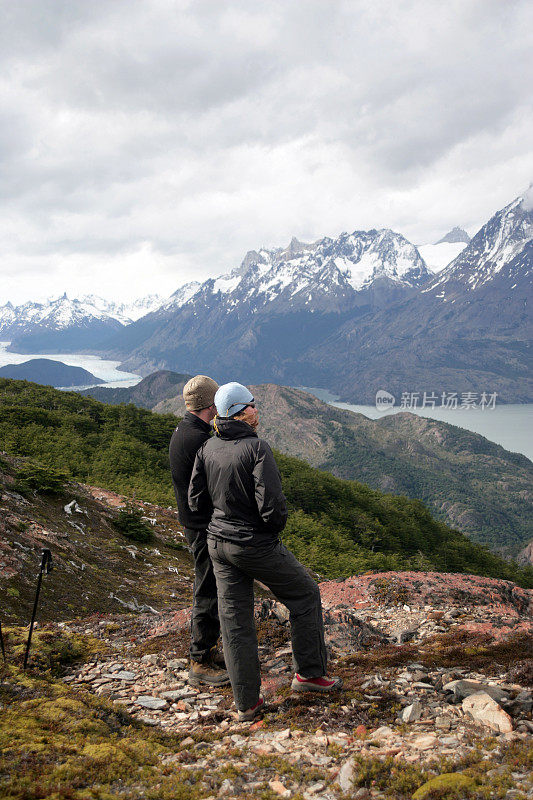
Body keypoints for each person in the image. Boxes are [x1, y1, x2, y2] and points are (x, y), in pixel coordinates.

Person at [188, 381, 341, 721]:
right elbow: (272, 507)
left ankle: (247, 703)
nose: (257, 409)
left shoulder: (207, 448)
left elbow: (195, 501)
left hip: (218, 546)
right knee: (304, 594)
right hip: (253, 544)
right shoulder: (257, 448)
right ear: (243, 413)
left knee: (235, 620)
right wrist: (267, 534)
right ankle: (310, 675)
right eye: (253, 405)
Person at [169, 375, 230, 687]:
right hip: (203, 525)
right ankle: (199, 661)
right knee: (207, 589)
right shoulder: (199, 440)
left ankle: (206, 651)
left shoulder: (186, 430)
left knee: (209, 586)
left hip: (194, 522)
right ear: (212, 404)